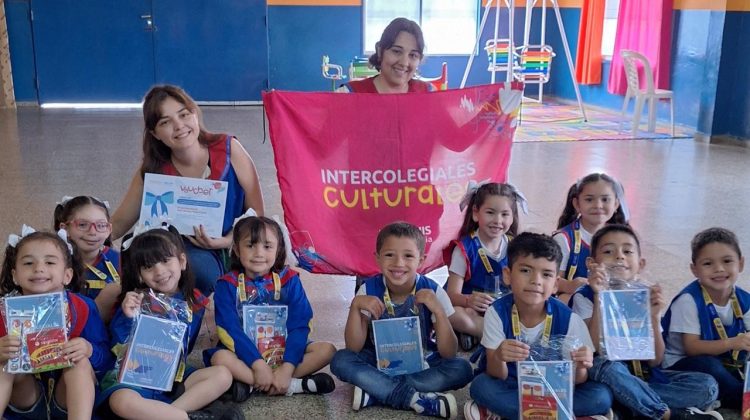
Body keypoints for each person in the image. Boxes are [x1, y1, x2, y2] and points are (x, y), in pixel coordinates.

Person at [110, 85, 264, 296]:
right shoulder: (153, 169)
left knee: (196, 271)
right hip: (170, 251)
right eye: (165, 122)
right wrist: (77, 237)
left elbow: (257, 216)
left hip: (226, 246)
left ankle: (182, 317)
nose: (179, 126)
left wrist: (227, 240)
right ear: (155, 133)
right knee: (136, 266)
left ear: (195, 113)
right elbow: (118, 224)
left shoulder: (229, 149)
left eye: (184, 114)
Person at [570, 224, 721, 419]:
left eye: (627, 251)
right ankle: (666, 413)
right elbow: (593, 349)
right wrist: (600, 296)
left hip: (645, 376)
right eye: (608, 251)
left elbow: (656, 360)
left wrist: (654, 315)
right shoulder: (585, 296)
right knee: (606, 366)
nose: (619, 256)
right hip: (608, 375)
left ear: (640, 263)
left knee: (707, 385)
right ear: (591, 263)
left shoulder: (643, 295)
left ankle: (631, 403)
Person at [330, 222, 472, 419]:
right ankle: (416, 399)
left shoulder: (434, 291)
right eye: (389, 255)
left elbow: (449, 352)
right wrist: (355, 306)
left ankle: (376, 391)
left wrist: (438, 312)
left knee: (462, 368)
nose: (398, 263)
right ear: (377, 259)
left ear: (421, 260)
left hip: (423, 361)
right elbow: (353, 347)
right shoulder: (368, 290)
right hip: (379, 362)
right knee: (341, 359)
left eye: (408, 256)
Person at [465, 232, 613, 420]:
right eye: (526, 270)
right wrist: (500, 356)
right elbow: (496, 374)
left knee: (600, 396)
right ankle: (563, 415)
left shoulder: (569, 320)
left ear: (555, 285)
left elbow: (578, 380)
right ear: (508, 275)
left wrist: (581, 366)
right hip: (512, 384)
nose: (536, 281)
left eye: (546, 274)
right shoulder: (497, 313)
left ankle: (503, 413)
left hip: (555, 390)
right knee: (481, 386)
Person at [98, 227, 242, 419]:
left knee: (222, 375)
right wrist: (128, 317)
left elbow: (186, 348)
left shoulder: (194, 301)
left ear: (181, 261)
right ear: (140, 275)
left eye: (166, 261)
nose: (159, 271)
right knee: (121, 401)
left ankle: (166, 414)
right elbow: (118, 347)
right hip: (134, 377)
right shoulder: (135, 301)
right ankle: (183, 417)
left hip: (173, 375)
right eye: (149, 267)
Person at [205, 215, 336, 401]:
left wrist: (288, 366)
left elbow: (300, 324)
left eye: (267, 246)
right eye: (250, 245)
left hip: (284, 353)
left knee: (327, 350)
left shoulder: (290, 280)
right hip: (244, 355)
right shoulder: (226, 285)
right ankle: (294, 385)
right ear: (236, 249)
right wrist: (258, 364)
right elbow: (229, 329)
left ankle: (255, 384)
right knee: (220, 359)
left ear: (278, 249)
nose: (258, 253)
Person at [0, 227, 113, 420]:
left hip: (67, 401)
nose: (39, 268)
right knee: (5, 363)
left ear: (67, 275)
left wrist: (88, 349)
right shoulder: (4, 312)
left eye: (50, 262)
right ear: (14, 275)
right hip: (25, 399)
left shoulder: (83, 308)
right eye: (28, 263)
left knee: (79, 362)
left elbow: (107, 360)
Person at [662, 227, 750, 410]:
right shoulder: (688, 300)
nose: (719, 269)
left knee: (720, 367)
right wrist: (733, 342)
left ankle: (736, 392)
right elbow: (692, 348)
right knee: (709, 366)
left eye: (727, 261)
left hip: (724, 362)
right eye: (708, 263)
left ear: (740, 264)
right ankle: (737, 397)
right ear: (694, 269)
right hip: (680, 364)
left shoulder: (744, 299)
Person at [443, 182, 526, 351]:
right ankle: (496, 336)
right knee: (451, 313)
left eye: (505, 214)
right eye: (490, 213)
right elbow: (450, 295)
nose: (497, 220)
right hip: (472, 309)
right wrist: (469, 300)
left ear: (513, 217)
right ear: (475, 213)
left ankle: (482, 334)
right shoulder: (464, 249)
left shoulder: (517, 247)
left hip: (505, 308)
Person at [553, 173, 628, 303]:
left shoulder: (623, 238)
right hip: (575, 299)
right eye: (589, 199)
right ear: (577, 204)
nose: (598, 205)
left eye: (605, 200)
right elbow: (551, 280)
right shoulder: (564, 239)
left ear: (616, 204)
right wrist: (571, 286)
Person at [54, 195, 120, 322]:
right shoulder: (53, 263)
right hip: (69, 331)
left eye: (101, 225)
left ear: (108, 230)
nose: (92, 232)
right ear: (64, 228)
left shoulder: (121, 261)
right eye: (83, 225)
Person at [336, 17, 433, 94]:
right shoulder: (348, 94)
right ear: (380, 51)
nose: (404, 63)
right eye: (396, 51)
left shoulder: (430, 95)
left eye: (413, 55)